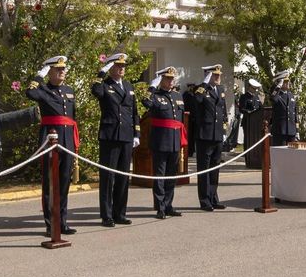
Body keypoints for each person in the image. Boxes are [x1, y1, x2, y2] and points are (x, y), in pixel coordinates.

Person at [26, 54, 79, 234]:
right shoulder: (42, 89)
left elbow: (72, 116)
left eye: (63, 69)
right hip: (50, 139)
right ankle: (51, 224)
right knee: (50, 183)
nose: (62, 71)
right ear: (49, 71)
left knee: (64, 183)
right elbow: (29, 92)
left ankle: (62, 222)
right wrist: (39, 76)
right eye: (58, 69)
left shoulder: (69, 90)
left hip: (67, 140)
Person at [90, 52, 138, 227]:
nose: (121, 68)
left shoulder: (128, 86)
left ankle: (120, 213)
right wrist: (101, 73)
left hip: (126, 135)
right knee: (108, 177)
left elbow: (134, 112)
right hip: (110, 136)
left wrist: (136, 134)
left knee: (123, 177)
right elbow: (95, 91)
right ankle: (107, 215)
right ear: (111, 68)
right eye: (118, 66)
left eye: (123, 66)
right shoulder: (104, 85)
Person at [142, 66, 187, 219]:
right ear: (160, 80)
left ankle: (168, 205)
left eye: (172, 78)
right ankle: (160, 207)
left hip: (174, 141)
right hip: (160, 141)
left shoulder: (177, 95)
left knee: (171, 175)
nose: (170, 81)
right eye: (167, 78)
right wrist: (151, 87)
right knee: (160, 176)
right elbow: (145, 102)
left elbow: (180, 118)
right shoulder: (155, 95)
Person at [185, 63, 228, 211]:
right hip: (205, 135)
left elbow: (223, 111)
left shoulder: (220, 90)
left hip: (217, 134)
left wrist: (224, 131)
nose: (218, 77)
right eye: (214, 75)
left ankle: (214, 198)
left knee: (215, 168)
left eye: (219, 75)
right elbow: (197, 100)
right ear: (208, 76)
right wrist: (204, 84)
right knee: (204, 169)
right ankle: (204, 200)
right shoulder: (200, 90)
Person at [229, 78, 262, 150]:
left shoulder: (256, 97)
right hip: (248, 121)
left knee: (255, 138)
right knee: (248, 138)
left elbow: (260, 108)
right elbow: (241, 109)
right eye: (254, 88)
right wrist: (249, 112)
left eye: (256, 89)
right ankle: (247, 152)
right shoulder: (244, 97)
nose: (255, 90)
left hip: (256, 122)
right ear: (249, 87)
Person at [269, 70, 298, 147]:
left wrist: (297, 131)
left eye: (288, 81)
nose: (288, 83)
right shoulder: (277, 94)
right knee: (280, 152)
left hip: (291, 131)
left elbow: (295, 115)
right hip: (280, 130)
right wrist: (279, 85)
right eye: (285, 81)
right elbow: (273, 98)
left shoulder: (291, 95)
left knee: (292, 153)